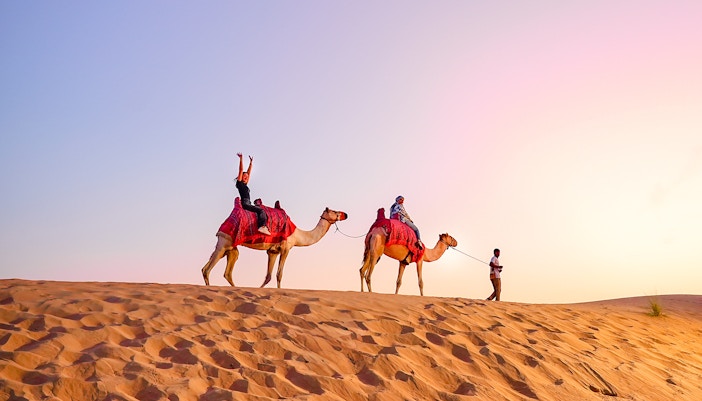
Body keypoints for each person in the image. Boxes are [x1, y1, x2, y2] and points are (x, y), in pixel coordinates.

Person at [235, 153, 271, 235]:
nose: (246, 177)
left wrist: (251, 164)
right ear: (240, 177)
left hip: (249, 203)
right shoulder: (239, 184)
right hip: (245, 203)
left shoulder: (245, 184)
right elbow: (241, 170)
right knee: (261, 210)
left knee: (260, 210)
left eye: (247, 177)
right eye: (244, 176)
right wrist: (241, 159)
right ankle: (262, 227)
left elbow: (249, 173)